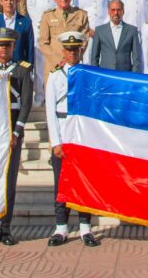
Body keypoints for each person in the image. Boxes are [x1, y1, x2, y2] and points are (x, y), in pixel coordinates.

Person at [0, 28, 33, 247]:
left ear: (13, 47)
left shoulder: (21, 70)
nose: (4, 49)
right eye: (0, 45)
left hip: (11, 128)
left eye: (8, 45)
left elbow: (26, 103)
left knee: (9, 181)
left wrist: (16, 132)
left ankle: (6, 228)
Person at [45, 31, 100, 248]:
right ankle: (61, 227)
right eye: (68, 49)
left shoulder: (88, 74)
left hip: (82, 135)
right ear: (63, 51)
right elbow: (50, 110)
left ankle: (85, 226)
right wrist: (55, 142)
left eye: (76, 49)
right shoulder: (56, 75)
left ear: (81, 51)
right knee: (61, 183)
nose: (72, 53)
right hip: (62, 130)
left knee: (83, 181)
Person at [38, 0, 91, 81]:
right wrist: (58, 60)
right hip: (54, 65)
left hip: (74, 64)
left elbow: (85, 39)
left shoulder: (81, 14)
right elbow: (43, 43)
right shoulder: (47, 16)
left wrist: (72, 58)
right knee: (52, 96)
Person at [0, 0, 35, 66]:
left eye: (11, 0)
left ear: (16, 1)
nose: (9, 3)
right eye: (6, 0)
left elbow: (30, 48)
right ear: (1, 2)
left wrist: (29, 67)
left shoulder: (25, 22)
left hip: (19, 68)